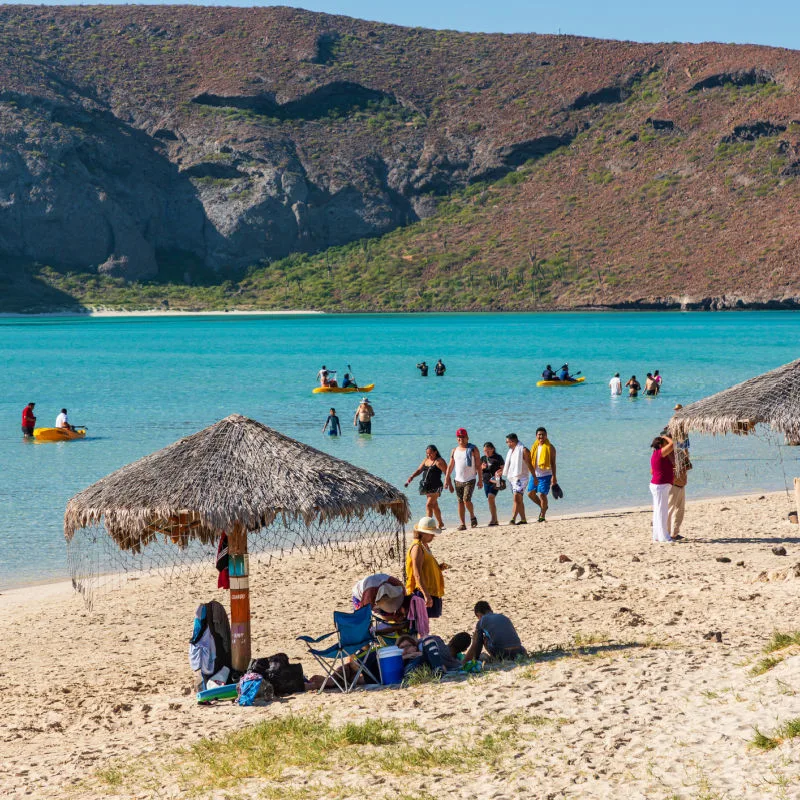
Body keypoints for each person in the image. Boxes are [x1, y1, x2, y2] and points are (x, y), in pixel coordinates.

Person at [405, 516, 448, 617]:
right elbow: (417, 574)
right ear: (423, 533)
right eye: (431, 534)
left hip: (430, 588)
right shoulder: (417, 548)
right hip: (421, 591)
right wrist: (426, 595)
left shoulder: (424, 545)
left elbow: (425, 566)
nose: (433, 536)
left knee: (425, 620)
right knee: (421, 621)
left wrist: (438, 567)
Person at [444, 428, 482, 530]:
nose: (461, 439)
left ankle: (472, 516)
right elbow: (450, 466)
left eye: (463, 437)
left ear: (467, 438)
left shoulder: (473, 449)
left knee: (466, 500)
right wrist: (446, 480)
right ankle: (462, 524)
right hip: (458, 480)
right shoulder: (454, 450)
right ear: (457, 438)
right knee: (460, 502)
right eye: (459, 437)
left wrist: (480, 480)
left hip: (470, 479)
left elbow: (478, 465)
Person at [405, 445, 447, 529]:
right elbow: (419, 470)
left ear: (435, 452)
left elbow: (447, 472)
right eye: (427, 453)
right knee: (434, 505)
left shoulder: (439, 461)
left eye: (430, 453)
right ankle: (441, 523)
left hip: (436, 486)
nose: (429, 455)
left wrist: (448, 483)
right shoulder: (426, 460)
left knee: (428, 505)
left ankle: (428, 525)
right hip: (427, 486)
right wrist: (411, 477)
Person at [501, 433, 531, 525]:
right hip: (513, 478)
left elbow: (530, 465)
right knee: (519, 499)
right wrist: (502, 471)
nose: (507, 444)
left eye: (508, 442)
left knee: (516, 497)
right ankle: (523, 519)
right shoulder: (511, 451)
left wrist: (534, 476)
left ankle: (513, 519)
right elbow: (511, 465)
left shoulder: (524, 450)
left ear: (513, 441)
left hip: (522, 477)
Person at [528, 427, 557, 523]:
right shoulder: (534, 447)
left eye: (543, 434)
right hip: (535, 475)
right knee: (530, 494)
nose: (541, 436)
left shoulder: (550, 447)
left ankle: (542, 515)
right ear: (536, 436)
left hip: (546, 475)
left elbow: (553, 463)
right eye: (539, 434)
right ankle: (543, 507)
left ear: (546, 435)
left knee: (542, 495)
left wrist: (554, 476)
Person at [650, 434, 675, 543]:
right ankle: (664, 537)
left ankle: (657, 535)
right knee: (662, 511)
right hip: (660, 486)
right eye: (664, 444)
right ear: (660, 445)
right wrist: (665, 437)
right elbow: (672, 444)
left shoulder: (655, 455)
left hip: (658, 485)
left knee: (658, 511)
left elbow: (652, 471)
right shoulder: (660, 453)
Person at [480, 442, 505, 527]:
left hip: (496, 480)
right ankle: (495, 519)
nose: (486, 452)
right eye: (485, 451)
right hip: (486, 481)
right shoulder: (483, 458)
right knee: (490, 500)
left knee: (491, 497)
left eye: (488, 450)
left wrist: (499, 473)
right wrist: (481, 468)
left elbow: (504, 469)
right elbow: (478, 471)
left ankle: (493, 519)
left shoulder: (498, 457)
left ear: (492, 449)